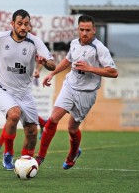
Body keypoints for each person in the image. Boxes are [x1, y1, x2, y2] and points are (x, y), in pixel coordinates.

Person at [0, 9, 55, 170]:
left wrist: (44, 62)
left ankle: (26, 162)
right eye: (20, 24)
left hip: (24, 92)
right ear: (12, 24)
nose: (23, 27)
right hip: (1, 88)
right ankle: (8, 153)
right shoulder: (0, 37)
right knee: (14, 114)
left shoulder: (35, 42)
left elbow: (52, 64)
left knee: (31, 131)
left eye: (26, 24)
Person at [35, 15, 118, 169]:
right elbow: (67, 60)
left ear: (94, 30)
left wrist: (90, 68)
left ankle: (73, 153)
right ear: (78, 30)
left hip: (87, 92)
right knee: (53, 119)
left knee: (72, 129)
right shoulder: (74, 43)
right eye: (81, 30)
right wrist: (52, 73)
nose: (84, 33)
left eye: (88, 30)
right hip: (70, 86)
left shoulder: (99, 48)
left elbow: (113, 72)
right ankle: (40, 157)